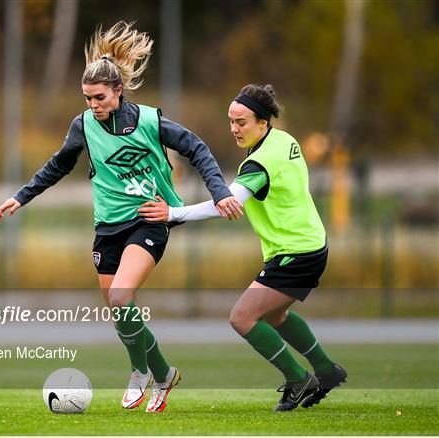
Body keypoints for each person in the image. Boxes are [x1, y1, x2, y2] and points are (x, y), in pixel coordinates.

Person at [0, 21, 241, 413]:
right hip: (106, 226)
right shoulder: (83, 126)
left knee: (122, 295)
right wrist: (20, 197)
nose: (93, 105)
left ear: (118, 91)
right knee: (120, 311)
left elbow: (196, 147)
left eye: (99, 97)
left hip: (150, 218)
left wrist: (220, 191)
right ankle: (164, 374)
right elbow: (57, 166)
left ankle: (140, 372)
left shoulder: (148, 121)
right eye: (87, 98)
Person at [139, 84, 347, 412]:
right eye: (231, 121)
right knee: (276, 314)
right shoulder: (284, 140)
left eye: (242, 122)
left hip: (298, 252)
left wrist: (172, 214)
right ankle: (325, 371)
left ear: (263, 123)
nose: (234, 129)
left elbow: (227, 204)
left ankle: (298, 378)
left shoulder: (259, 163)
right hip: (307, 245)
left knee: (242, 317)